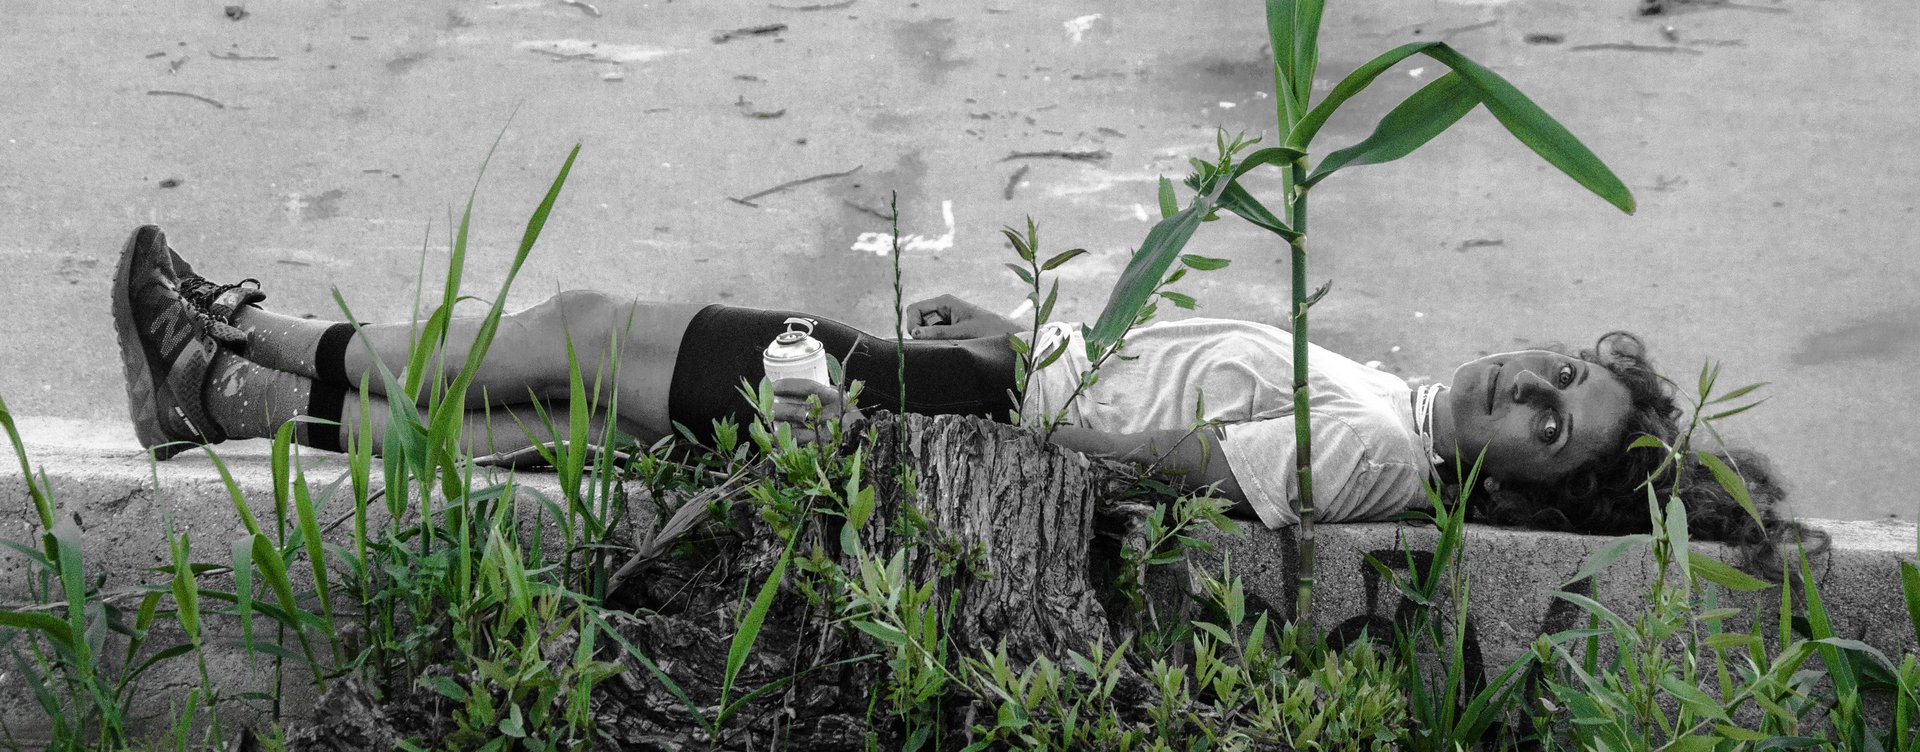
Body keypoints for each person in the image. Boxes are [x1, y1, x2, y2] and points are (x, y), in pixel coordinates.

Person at [112, 225, 1812, 569]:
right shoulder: (1383, 393)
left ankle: (259, 360)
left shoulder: (1375, 448)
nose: (1530, 389)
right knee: (571, 420)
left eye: (1551, 428)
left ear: (1523, 492)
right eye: (1561, 375)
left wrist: (900, 411)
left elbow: (1151, 463)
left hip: (936, 418)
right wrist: (1010, 331)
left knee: (585, 336)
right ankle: (222, 386)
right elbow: (1140, 382)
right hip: (960, 393)